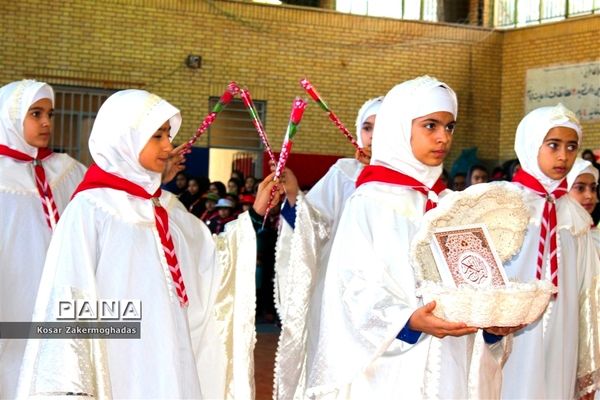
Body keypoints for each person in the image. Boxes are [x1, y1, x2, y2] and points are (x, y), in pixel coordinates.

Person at [16, 89, 270, 398]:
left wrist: (254, 215)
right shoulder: (92, 209)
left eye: (168, 135)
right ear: (126, 139)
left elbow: (212, 259)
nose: (168, 145)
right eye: (157, 136)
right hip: (120, 355)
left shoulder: (165, 205)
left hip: (171, 353)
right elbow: (68, 296)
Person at [305, 76, 510, 399]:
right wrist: (408, 320)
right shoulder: (370, 202)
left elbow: (475, 282)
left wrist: (492, 323)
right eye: (431, 125)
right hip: (390, 369)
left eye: (450, 126)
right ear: (400, 127)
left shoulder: (451, 206)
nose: (443, 137)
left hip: (449, 366)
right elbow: (352, 290)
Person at [272, 96, 383, 398]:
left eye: (383, 126)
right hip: (340, 291)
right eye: (368, 127)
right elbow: (313, 225)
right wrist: (295, 196)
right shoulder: (345, 174)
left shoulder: (417, 185)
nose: (373, 136)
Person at [501, 104, 600, 399]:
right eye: (553, 145)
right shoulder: (502, 205)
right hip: (509, 335)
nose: (563, 156)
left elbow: (588, 296)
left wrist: (588, 367)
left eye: (571, 147)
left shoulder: (577, 220)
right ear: (531, 143)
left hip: (562, 338)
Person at [0, 79, 87, 398]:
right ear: (11, 117)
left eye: (50, 113)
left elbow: (108, 199)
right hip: (12, 296)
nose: (47, 122)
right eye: (35, 114)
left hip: (59, 295)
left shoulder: (66, 169)